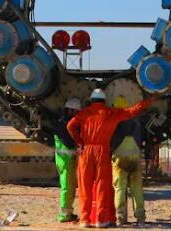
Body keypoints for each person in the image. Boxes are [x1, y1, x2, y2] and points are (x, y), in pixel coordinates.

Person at [67, 89, 157, 228]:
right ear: (104, 100)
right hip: (103, 151)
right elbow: (132, 111)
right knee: (103, 187)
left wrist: (79, 142)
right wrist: (148, 101)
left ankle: (85, 219)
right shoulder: (111, 113)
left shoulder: (84, 113)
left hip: (86, 151)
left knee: (85, 187)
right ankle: (101, 220)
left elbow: (70, 126)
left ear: (91, 100)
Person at [109, 97, 145, 225]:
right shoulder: (136, 123)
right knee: (137, 189)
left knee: (119, 189)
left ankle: (120, 217)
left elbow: (110, 143)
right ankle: (141, 217)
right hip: (135, 160)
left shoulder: (114, 123)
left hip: (120, 161)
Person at [54, 98, 83, 223]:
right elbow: (69, 142)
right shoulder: (66, 124)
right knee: (67, 188)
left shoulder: (61, 122)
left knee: (70, 187)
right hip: (66, 161)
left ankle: (68, 213)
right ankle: (64, 215)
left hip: (65, 160)